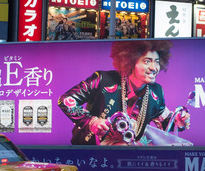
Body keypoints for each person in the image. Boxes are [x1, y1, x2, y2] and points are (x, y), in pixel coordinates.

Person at [58, 40, 190, 145]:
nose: (153, 68)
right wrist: (92, 122)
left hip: (128, 161)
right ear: (130, 61)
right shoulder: (102, 79)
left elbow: (165, 121)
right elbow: (66, 100)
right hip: (90, 154)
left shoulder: (156, 92)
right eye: (147, 61)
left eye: (156, 62)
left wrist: (178, 121)